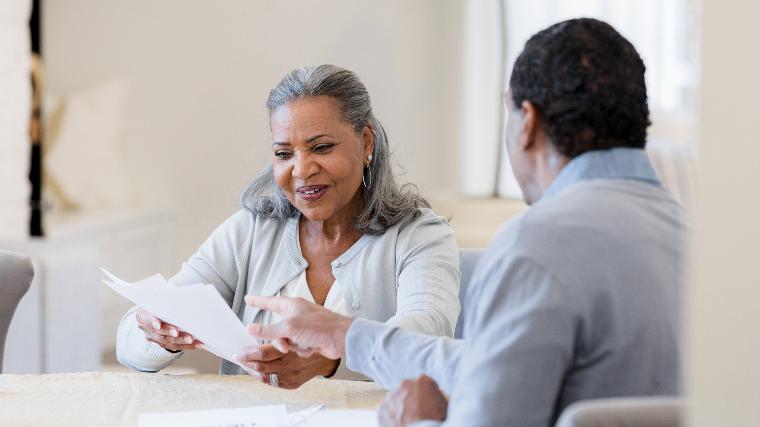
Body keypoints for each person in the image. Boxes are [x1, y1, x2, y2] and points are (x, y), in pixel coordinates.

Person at [244, 17, 685, 426]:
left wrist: (421, 420)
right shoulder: (702, 240)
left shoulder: (537, 246)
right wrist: (345, 335)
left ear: (526, 121)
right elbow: (489, 364)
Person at [115, 65, 461, 390]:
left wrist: (331, 357)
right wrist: (157, 333)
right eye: (284, 153)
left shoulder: (420, 236)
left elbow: (425, 337)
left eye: (322, 148)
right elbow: (130, 346)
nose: (302, 170)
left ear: (366, 143)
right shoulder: (249, 231)